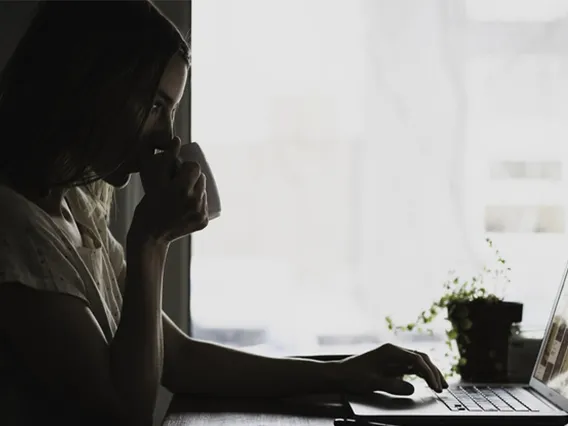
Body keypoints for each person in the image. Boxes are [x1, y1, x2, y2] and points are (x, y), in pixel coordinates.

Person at [0, 1, 447, 425]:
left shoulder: (76, 210)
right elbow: (123, 414)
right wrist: (151, 244)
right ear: (91, 86)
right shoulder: (13, 230)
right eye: (156, 106)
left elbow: (179, 357)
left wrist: (341, 373)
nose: (168, 139)